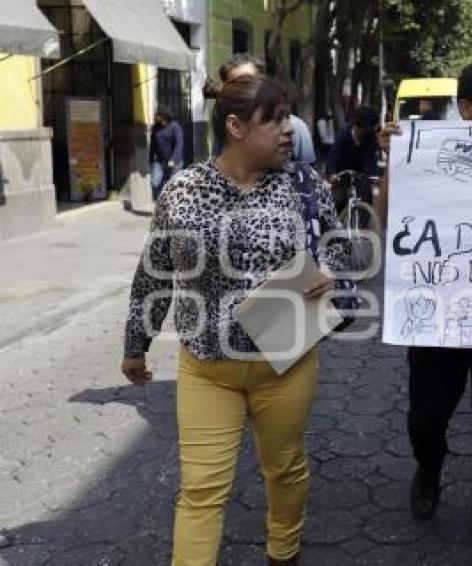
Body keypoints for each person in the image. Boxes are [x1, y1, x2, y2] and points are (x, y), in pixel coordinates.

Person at [121, 75, 346, 566]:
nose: (289, 130)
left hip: (285, 362)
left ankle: (283, 551)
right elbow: (154, 272)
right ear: (235, 127)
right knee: (201, 490)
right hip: (207, 368)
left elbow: (337, 242)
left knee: (284, 471)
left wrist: (329, 268)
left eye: (289, 117)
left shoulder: (303, 184)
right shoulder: (183, 190)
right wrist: (135, 343)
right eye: (276, 119)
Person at [379, 58, 472, 566]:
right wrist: (397, 163)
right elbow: (388, 227)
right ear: (466, 108)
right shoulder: (426, 152)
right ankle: (430, 465)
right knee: (425, 418)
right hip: (437, 317)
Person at [216, 53, 316, 164]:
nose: (243, 90)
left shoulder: (296, 128)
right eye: (235, 85)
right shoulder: (226, 128)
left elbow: (308, 171)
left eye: (250, 83)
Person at [326, 106, 381, 178]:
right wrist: (332, 174)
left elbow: (371, 158)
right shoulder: (343, 134)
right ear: (359, 126)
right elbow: (333, 156)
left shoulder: (370, 136)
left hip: (361, 175)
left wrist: (374, 176)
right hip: (341, 174)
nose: (370, 132)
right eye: (367, 129)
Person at [150, 109, 184, 200]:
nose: (156, 118)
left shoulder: (175, 127)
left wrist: (173, 159)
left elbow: (179, 144)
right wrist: (150, 159)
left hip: (174, 161)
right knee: (155, 182)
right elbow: (153, 144)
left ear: (164, 116)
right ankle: (159, 203)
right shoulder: (155, 127)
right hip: (160, 160)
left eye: (158, 116)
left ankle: (175, 203)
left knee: (174, 183)